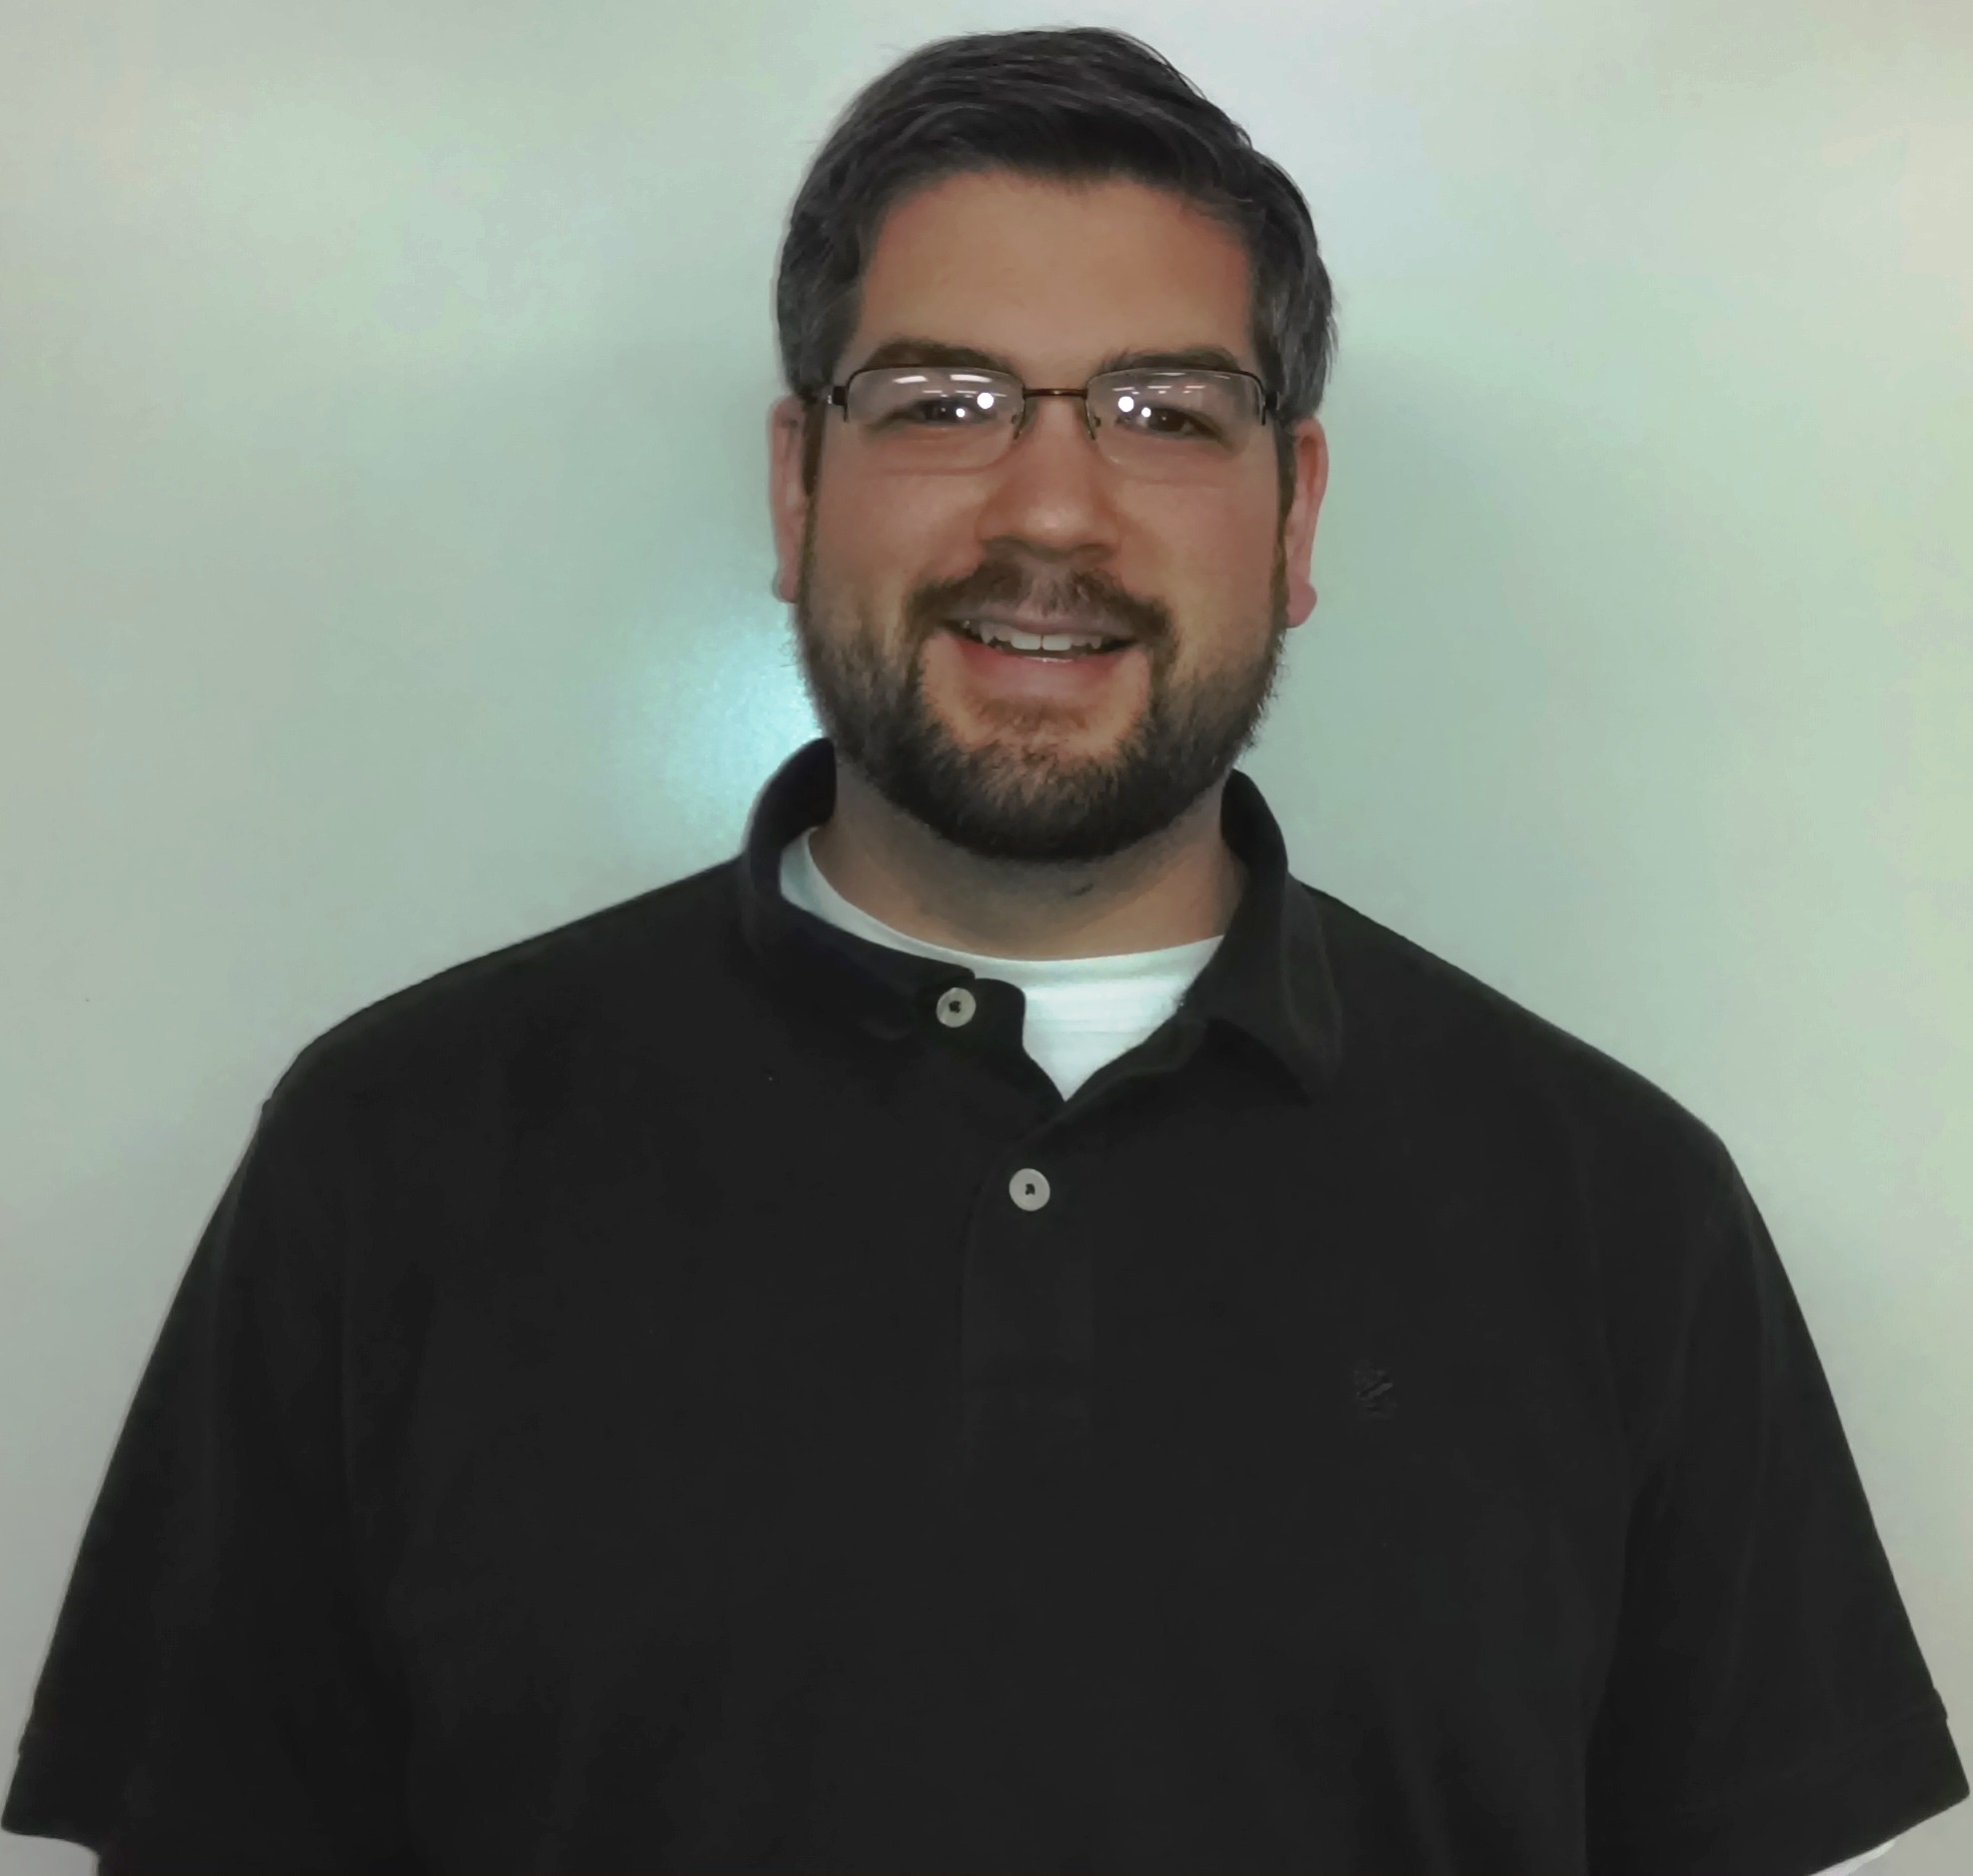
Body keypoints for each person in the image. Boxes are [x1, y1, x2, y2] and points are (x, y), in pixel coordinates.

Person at [4, 25, 1965, 1875]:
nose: (1050, 507)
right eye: (941, 403)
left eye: (1164, 411)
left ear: (1294, 515)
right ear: (797, 486)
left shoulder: (1620, 1217)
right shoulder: (392, 1159)